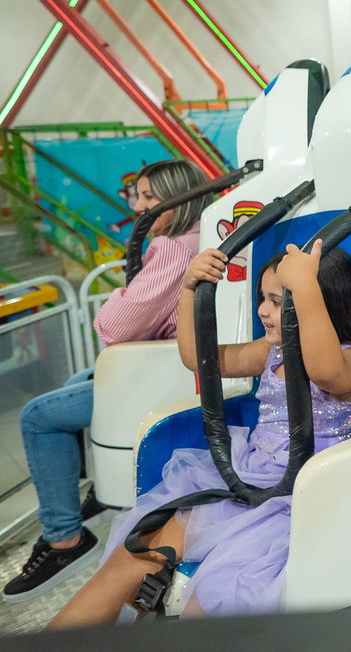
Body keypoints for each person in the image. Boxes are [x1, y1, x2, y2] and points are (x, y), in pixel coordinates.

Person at [47, 238, 351, 625]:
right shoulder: (272, 350)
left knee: (217, 596)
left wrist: (305, 285)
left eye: (279, 301)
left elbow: (324, 370)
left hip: (302, 501)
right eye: (263, 298)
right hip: (245, 483)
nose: (264, 311)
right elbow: (199, 358)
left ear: (325, 302)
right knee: (134, 555)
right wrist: (189, 289)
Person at [3, 159, 207, 603]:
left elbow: (113, 324)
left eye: (151, 198)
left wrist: (119, 294)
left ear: (180, 199)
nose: (140, 207)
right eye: (140, 197)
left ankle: (64, 540)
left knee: (37, 416)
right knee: (79, 378)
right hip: (156, 366)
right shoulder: (195, 240)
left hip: (155, 374)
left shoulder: (174, 248)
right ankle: (92, 492)